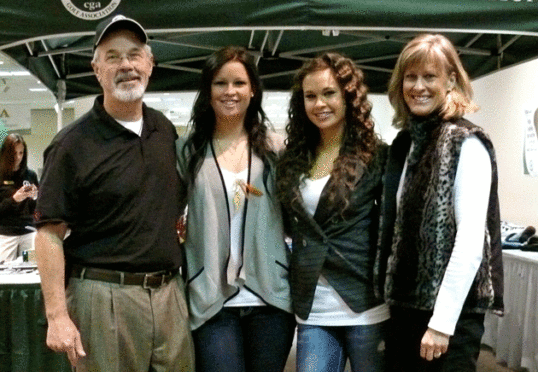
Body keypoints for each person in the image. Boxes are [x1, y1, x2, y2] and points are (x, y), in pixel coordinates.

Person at [34, 15, 194, 371]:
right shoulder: (71, 145)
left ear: (150, 64)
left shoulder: (164, 130)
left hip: (169, 295)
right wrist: (57, 316)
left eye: (135, 55)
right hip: (103, 298)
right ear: (96, 69)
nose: (126, 65)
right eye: (113, 57)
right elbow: (48, 235)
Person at [376, 33, 504, 372]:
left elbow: (470, 242)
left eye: (429, 76)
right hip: (406, 310)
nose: (418, 86)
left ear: (450, 81)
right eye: (410, 76)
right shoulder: (406, 143)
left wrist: (441, 324)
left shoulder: (466, 141)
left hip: (450, 317)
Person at [177, 45, 295, 372]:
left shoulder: (275, 148)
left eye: (239, 83)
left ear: (253, 90)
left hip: (270, 297)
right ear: (208, 90)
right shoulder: (188, 150)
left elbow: (297, 213)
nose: (230, 91)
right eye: (220, 83)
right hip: (211, 299)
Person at [276, 52, 389, 372]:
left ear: (348, 96)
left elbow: (391, 226)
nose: (319, 104)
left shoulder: (376, 156)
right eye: (310, 96)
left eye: (329, 93)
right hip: (313, 308)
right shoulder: (292, 159)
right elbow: (289, 223)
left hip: (366, 304)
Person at [0, 133, 38, 262]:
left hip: (28, 231)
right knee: (4, 274)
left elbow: (36, 208)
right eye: (14, 154)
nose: (18, 158)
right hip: (6, 234)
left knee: (31, 269)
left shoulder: (30, 175)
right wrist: (14, 200)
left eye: (21, 153)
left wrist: (35, 197)